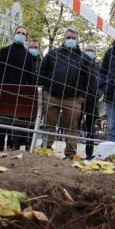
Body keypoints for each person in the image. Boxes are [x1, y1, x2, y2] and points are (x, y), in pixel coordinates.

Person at [38, 28, 94, 158]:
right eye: (68, 37)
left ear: (78, 40)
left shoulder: (84, 59)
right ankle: (46, 149)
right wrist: (45, 91)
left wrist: (82, 97)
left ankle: (70, 153)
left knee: (72, 128)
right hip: (52, 96)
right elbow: (42, 72)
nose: (71, 40)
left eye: (74, 38)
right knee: (49, 124)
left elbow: (89, 80)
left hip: (73, 99)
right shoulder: (53, 54)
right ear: (64, 38)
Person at [0, 25, 37, 151]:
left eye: (23, 33)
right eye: (19, 32)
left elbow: (29, 76)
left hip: (19, 93)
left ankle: (11, 143)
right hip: (4, 90)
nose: (21, 35)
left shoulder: (28, 56)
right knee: (2, 118)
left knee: (13, 119)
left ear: (26, 37)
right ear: (14, 34)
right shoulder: (4, 51)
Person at [81, 44, 100, 158]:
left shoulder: (98, 67)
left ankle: (89, 154)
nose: (89, 52)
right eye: (87, 50)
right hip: (79, 99)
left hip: (93, 101)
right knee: (74, 126)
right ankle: (70, 153)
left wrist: (98, 94)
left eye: (92, 50)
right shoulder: (79, 63)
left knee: (90, 129)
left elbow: (102, 83)